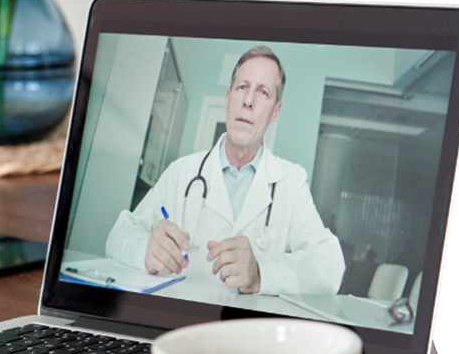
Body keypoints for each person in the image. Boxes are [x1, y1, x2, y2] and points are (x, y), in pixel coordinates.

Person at [104, 46, 344, 298]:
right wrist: (145, 249)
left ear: (275, 112)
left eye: (263, 92)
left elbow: (330, 265)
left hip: (249, 333)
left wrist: (261, 273)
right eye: (242, 87)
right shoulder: (181, 172)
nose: (248, 101)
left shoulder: (291, 182)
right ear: (228, 99)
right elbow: (118, 233)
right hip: (178, 322)